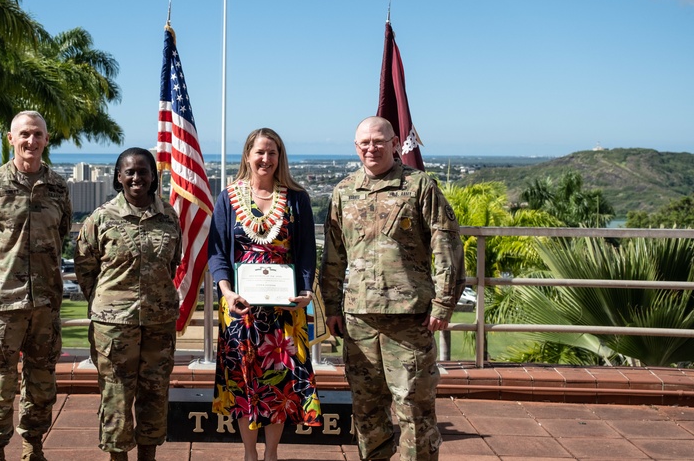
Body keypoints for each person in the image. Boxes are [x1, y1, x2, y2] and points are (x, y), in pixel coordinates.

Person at [320, 116, 464, 461]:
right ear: (356, 147)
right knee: (367, 413)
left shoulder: (419, 186)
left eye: (379, 141)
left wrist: (444, 303)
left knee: (414, 412)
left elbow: (446, 245)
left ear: (395, 143)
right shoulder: (344, 191)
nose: (371, 148)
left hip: (409, 321)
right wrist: (331, 309)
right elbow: (334, 256)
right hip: (359, 321)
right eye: (364, 142)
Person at [208, 128, 322, 461]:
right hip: (240, 311)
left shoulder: (296, 198)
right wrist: (226, 292)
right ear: (247, 155)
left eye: (272, 153)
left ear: (280, 158)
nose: (266, 159)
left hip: (283, 312)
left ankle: (271, 453)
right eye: (260, 152)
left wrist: (305, 289)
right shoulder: (228, 198)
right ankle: (248, 454)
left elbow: (304, 253)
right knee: (244, 384)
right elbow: (216, 253)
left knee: (279, 387)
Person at [0, 110, 72, 461]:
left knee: (41, 385)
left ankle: (33, 448)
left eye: (38, 134)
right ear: (10, 139)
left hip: (45, 305)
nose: (31, 141)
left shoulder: (58, 187)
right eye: (24, 134)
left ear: (46, 139)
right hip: (5, 306)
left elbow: (63, 234)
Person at [74, 147, 182, 461]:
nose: (137, 177)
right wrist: (107, 304)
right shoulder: (101, 217)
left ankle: (148, 455)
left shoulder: (168, 215)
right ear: (119, 177)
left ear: (153, 176)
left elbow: (172, 263)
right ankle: (117, 457)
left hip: (158, 322)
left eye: (143, 171)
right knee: (116, 396)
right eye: (129, 172)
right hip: (114, 326)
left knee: (155, 392)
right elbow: (85, 267)